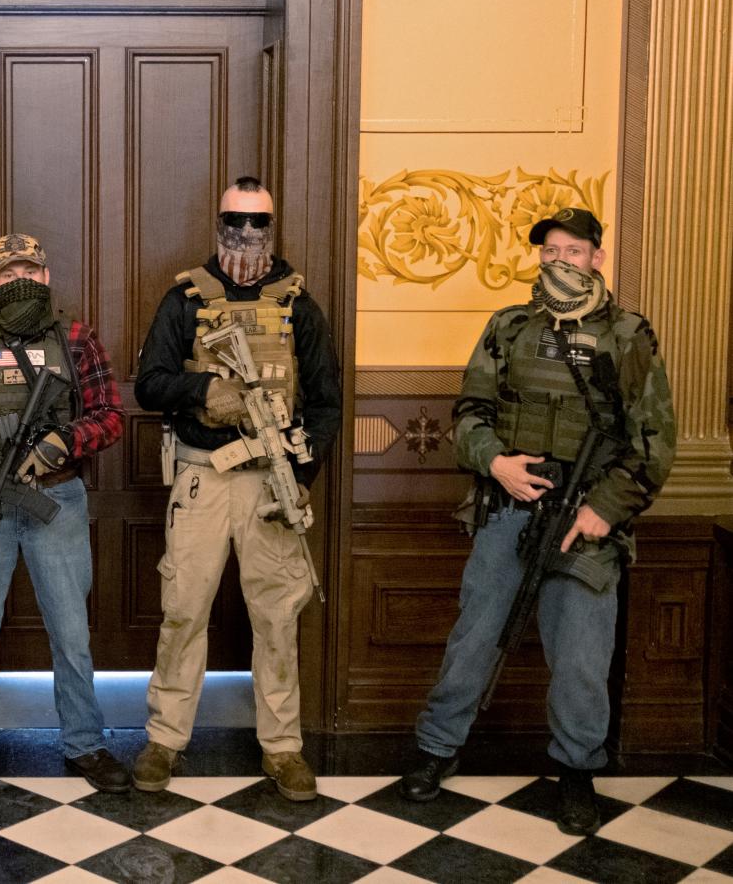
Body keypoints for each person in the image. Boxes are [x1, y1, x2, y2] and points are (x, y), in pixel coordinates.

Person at [399, 207, 675, 835]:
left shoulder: (629, 336)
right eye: (550, 252)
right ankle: (436, 749)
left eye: (572, 252)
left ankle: (576, 772)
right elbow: (469, 411)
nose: (559, 262)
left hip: (585, 519)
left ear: (596, 259)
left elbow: (655, 441)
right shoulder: (510, 327)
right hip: (510, 503)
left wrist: (604, 510)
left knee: (581, 654)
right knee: (474, 636)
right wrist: (495, 461)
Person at [132, 177, 341, 800]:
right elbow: (149, 384)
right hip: (202, 476)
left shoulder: (299, 306)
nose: (246, 234)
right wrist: (202, 393)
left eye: (258, 223)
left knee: (277, 618)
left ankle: (283, 748)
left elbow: (327, 403)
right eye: (234, 221)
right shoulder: (186, 301)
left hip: (269, 484)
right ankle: (165, 739)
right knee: (183, 610)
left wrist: (299, 477)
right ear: (217, 223)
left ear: (273, 228)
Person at [0, 234, 129, 801]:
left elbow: (110, 415)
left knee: (71, 634)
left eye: (30, 270)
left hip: (55, 500)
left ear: (45, 276)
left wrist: (65, 440)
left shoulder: (75, 338)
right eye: (8, 272)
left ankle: (84, 743)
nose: (20, 280)